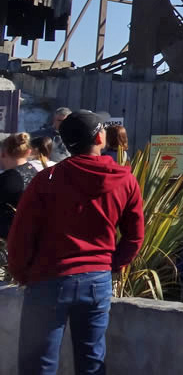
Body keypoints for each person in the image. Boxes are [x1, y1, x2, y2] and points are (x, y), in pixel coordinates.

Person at [7, 109, 145, 375]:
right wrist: (112, 264)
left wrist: (24, 274)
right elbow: (135, 235)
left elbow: (20, 236)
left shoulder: (46, 180)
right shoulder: (125, 180)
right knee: (91, 361)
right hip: (97, 281)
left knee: (39, 363)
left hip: (48, 279)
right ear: (99, 139)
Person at [0, 133, 38, 239]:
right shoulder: (33, 171)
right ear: (28, 152)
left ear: (3, 153)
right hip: (31, 234)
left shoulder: (8, 179)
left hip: (10, 238)